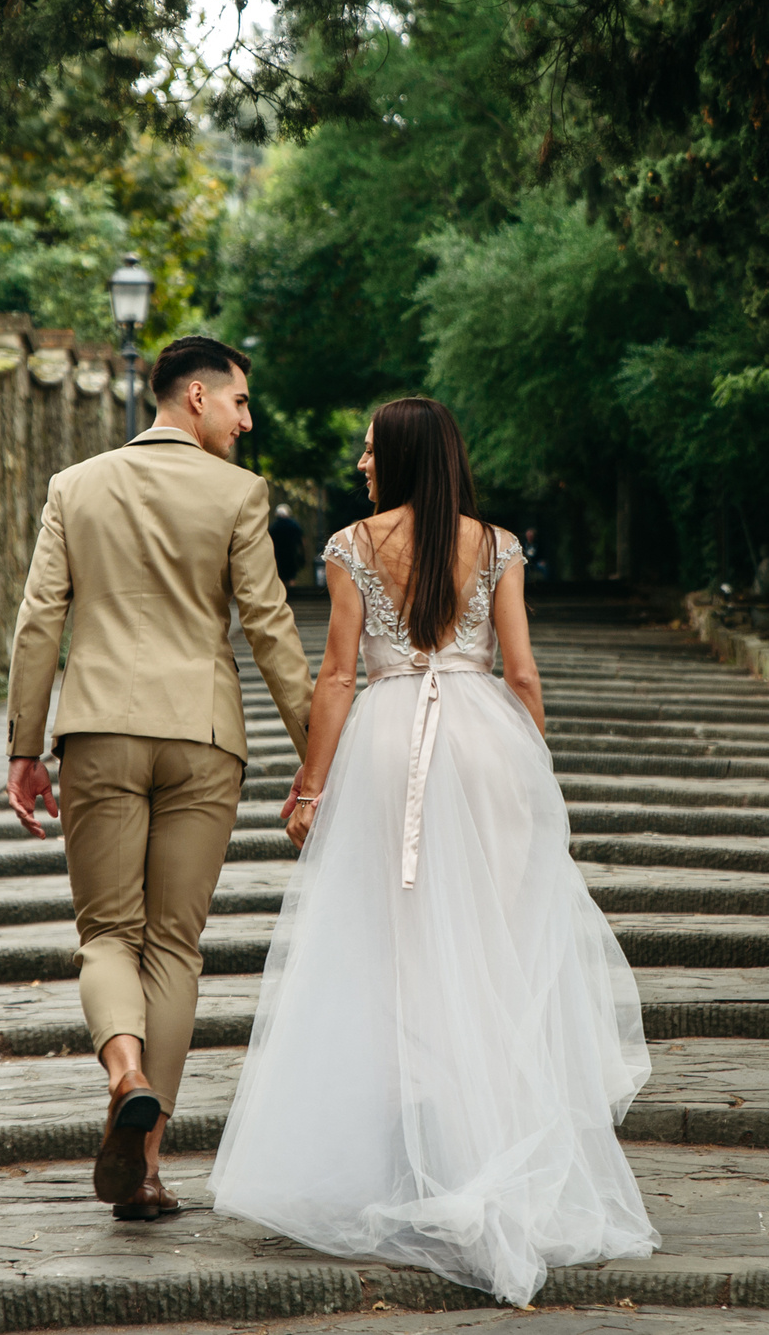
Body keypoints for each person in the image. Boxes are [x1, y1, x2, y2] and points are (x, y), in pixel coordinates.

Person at [206, 396, 658, 1304]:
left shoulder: (351, 545)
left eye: (372, 450)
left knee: (397, 945)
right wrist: (534, 775)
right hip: (488, 744)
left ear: (405, 457)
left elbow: (338, 674)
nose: (362, 463)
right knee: (491, 943)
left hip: (387, 747)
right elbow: (521, 671)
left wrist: (310, 784)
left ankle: (421, 1157)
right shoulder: (499, 546)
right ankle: (485, 1146)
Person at [2, 334, 314, 1220]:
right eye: (240, 402)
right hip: (203, 736)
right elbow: (270, 627)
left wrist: (25, 745)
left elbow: (39, 620)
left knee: (108, 933)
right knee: (174, 943)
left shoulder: (74, 486)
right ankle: (143, 1167)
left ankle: (124, 1070)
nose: (247, 422)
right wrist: (317, 750)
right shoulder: (238, 494)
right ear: (196, 397)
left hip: (99, 727)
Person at [268, 503, 307, 589]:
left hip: (278, 555)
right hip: (291, 554)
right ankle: (292, 592)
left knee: (280, 576)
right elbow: (302, 540)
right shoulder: (293, 525)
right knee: (291, 576)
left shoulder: (274, 527)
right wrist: (303, 554)